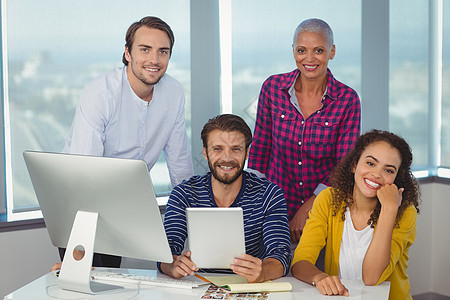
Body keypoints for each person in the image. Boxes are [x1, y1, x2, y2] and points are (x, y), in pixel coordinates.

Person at [59, 16, 194, 268]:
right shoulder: (100, 94)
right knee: (83, 282)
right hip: (79, 201)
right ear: (127, 53)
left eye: (162, 52)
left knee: (109, 281)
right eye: (145, 49)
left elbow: (180, 166)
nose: (154, 60)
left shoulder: (173, 93)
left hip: (119, 203)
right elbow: (84, 170)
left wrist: (194, 228)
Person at [247, 18, 361, 243]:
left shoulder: (347, 100)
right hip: (273, 209)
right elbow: (260, 150)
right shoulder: (272, 88)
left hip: (323, 212)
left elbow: (345, 166)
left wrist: (308, 208)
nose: (309, 59)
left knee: (315, 276)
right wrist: (254, 206)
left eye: (319, 50)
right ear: (293, 50)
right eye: (302, 50)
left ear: (332, 51)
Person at [160, 114, 291, 282]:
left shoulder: (270, 194)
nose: (227, 158)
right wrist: (173, 265)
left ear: (247, 153)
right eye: (218, 149)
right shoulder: (184, 193)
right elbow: (166, 252)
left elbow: (281, 255)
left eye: (236, 149)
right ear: (205, 152)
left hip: (250, 287)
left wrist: (263, 272)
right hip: (198, 284)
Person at [291, 130, 420, 299]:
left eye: (388, 170)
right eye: (370, 163)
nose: (376, 174)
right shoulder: (329, 200)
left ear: (396, 179)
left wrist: (389, 210)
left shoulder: (404, 212)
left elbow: (372, 277)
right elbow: (300, 262)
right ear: (354, 164)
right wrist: (319, 277)